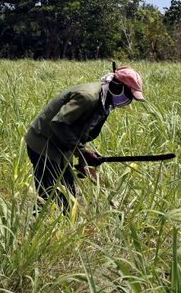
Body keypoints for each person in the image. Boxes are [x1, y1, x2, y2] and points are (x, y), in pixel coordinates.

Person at [24, 65, 145, 212]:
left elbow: (81, 132)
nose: (128, 101)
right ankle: (36, 227)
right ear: (117, 87)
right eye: (128, 95)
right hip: (43, 143)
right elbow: (58, 123)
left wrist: (84, 159)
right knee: (52, 198)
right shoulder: (88, 97)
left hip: (61, 146)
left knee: (68, 196)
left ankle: (53, 225)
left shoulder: (104, 103)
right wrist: (82, 152)